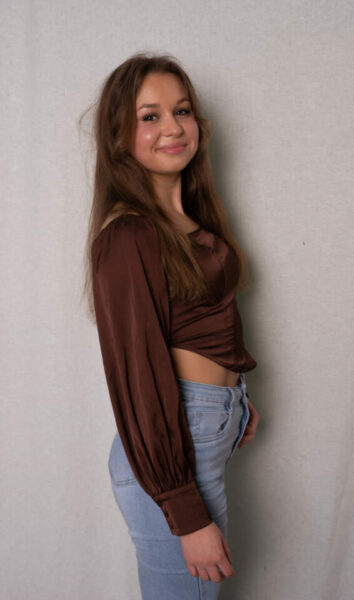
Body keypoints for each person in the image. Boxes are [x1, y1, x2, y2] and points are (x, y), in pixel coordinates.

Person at [83, 51, 260, 600]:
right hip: (168, 457)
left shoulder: (187, 220)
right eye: (149, 116)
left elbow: (205, 318)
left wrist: (234, 400)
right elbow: (139, 375)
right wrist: (185, 512)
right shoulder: (128, 234)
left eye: (181, 111)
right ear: (118, 137)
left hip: (200, 429)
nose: (174, 127)